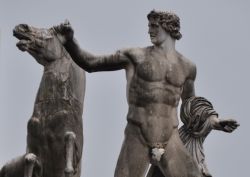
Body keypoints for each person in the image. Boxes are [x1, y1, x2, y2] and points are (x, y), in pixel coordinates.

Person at [55, 10, 238, 177]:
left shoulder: (187, 67)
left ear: (168, 28)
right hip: (138, 134)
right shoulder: (135, 56)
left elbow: (190, 102)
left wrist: (214, 121)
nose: (149, 31)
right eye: (149, 26)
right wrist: (70, 43)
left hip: (170, 137)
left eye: (154, 26)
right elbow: (92, 63)